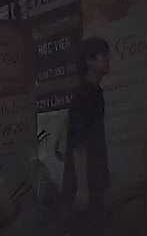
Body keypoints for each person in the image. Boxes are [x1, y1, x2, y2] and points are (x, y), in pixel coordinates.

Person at [61, 38, 111, 235]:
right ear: (89, 61)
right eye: (102, 56)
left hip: (94, 177)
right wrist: (82, 188)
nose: (107, 59)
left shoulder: (95, 92)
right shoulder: (84, 95)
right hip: (83, 180)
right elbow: (79, 145)